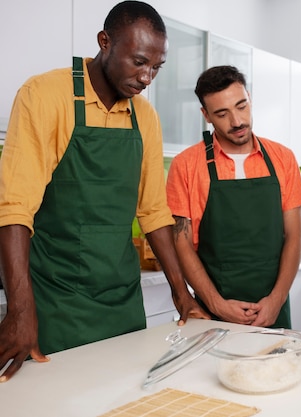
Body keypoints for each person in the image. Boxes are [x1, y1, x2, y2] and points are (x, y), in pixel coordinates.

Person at [0, 1, 209, 382]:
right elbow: (14, 210)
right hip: (56, 301)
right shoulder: (44, 95)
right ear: (105, 42)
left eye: (156, 68)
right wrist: (19, 309)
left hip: (121, 300)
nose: (147, 78)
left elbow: (154, 213)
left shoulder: (145, 117)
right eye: (139, 62)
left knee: (122, 398)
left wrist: (182, 293)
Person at [166, 65, 301, 329]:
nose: (237, 121)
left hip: (273, 309)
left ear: (250, 99)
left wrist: (276, 300)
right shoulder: (185, 165)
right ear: (206, 115)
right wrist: (218, 304)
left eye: (242, 106)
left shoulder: (283, 158)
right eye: (222, 114)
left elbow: (295, 237)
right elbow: (182, 245)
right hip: (212, 314)